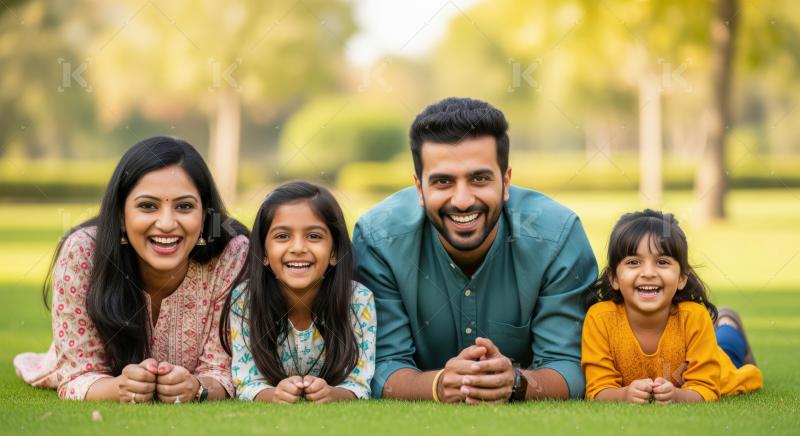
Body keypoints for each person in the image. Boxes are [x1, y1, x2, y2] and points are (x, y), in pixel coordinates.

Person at [353, 97, 598, 403]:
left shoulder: (558, 236)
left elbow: (570, 367)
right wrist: (439, 385)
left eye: (479, 179)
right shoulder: (378, 239)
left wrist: (516, 382)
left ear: (506, 182)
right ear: (419, 188)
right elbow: (379, 367)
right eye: (443, 181)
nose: (463, 200)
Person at [13, 137, 249, 403]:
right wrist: (119, 388)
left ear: (205, 215)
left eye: (184, 206)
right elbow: (78, 375)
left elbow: (223, 371)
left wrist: (197, 388)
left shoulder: (232, 255)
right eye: (148, 206)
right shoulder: (83, 253)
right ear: (121, 215)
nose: (166, 223)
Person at [581, 209, 763, 403]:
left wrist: (678, 395)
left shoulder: (694, 317)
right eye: (633, 262)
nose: (648, 273)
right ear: (614, 278)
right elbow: (598, 389)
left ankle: (729, 323)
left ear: (682, 277)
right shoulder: (600, 319)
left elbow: (706, 388)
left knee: (728, 350)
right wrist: (623, 394)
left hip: (717, 366)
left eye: (662, 262)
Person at [223, 182, 375, 403]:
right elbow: (247, 382)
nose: (298, 248)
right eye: (282, 236)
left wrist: (333, 394)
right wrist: (274, 395)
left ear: (334, 252)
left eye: (313, 236)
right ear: (263, 253)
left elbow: (359, 383)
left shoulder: (358, 300)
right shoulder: (245, 300)